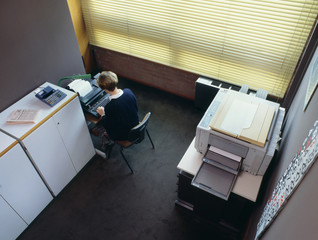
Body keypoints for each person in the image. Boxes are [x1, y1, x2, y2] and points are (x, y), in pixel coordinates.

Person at [96, 71, 139, 141]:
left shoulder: (110, 107)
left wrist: (103, 114)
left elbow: (108, 126)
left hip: (124, 135)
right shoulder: (128, 91)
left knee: (101, 123)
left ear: (105, 89)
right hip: (135, 125)